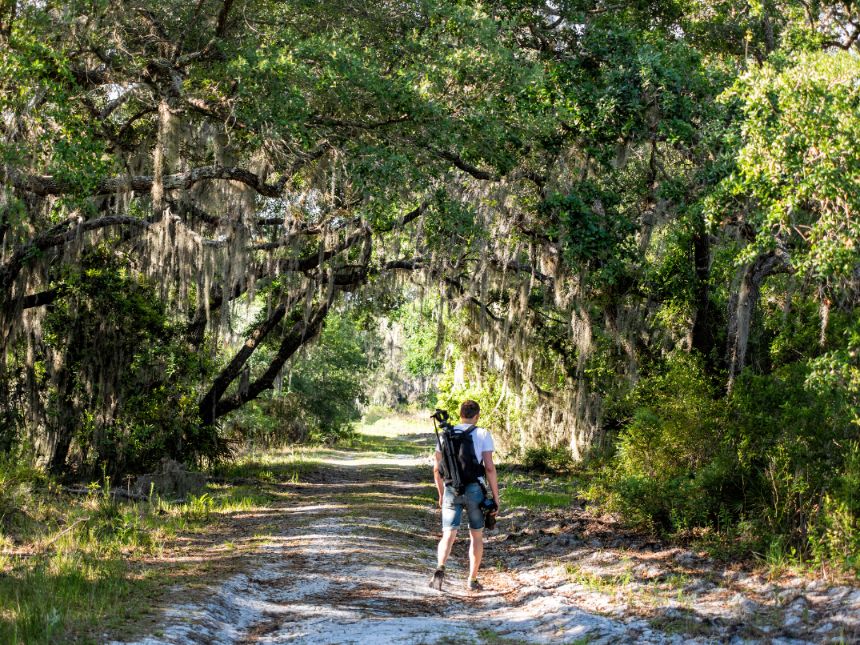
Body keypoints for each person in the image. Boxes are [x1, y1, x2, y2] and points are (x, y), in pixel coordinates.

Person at [430, 399, 500, 592]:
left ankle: (440, 568)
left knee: (448, 534)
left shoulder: (445, 434)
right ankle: (472, 579)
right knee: (476, 535)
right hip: (475, 490)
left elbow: (437, 469)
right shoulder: (482, 433)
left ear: (460, 414)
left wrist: (441, 493)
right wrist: (496, 497)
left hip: (452, 489)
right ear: (477, 415)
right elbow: (489, 467)